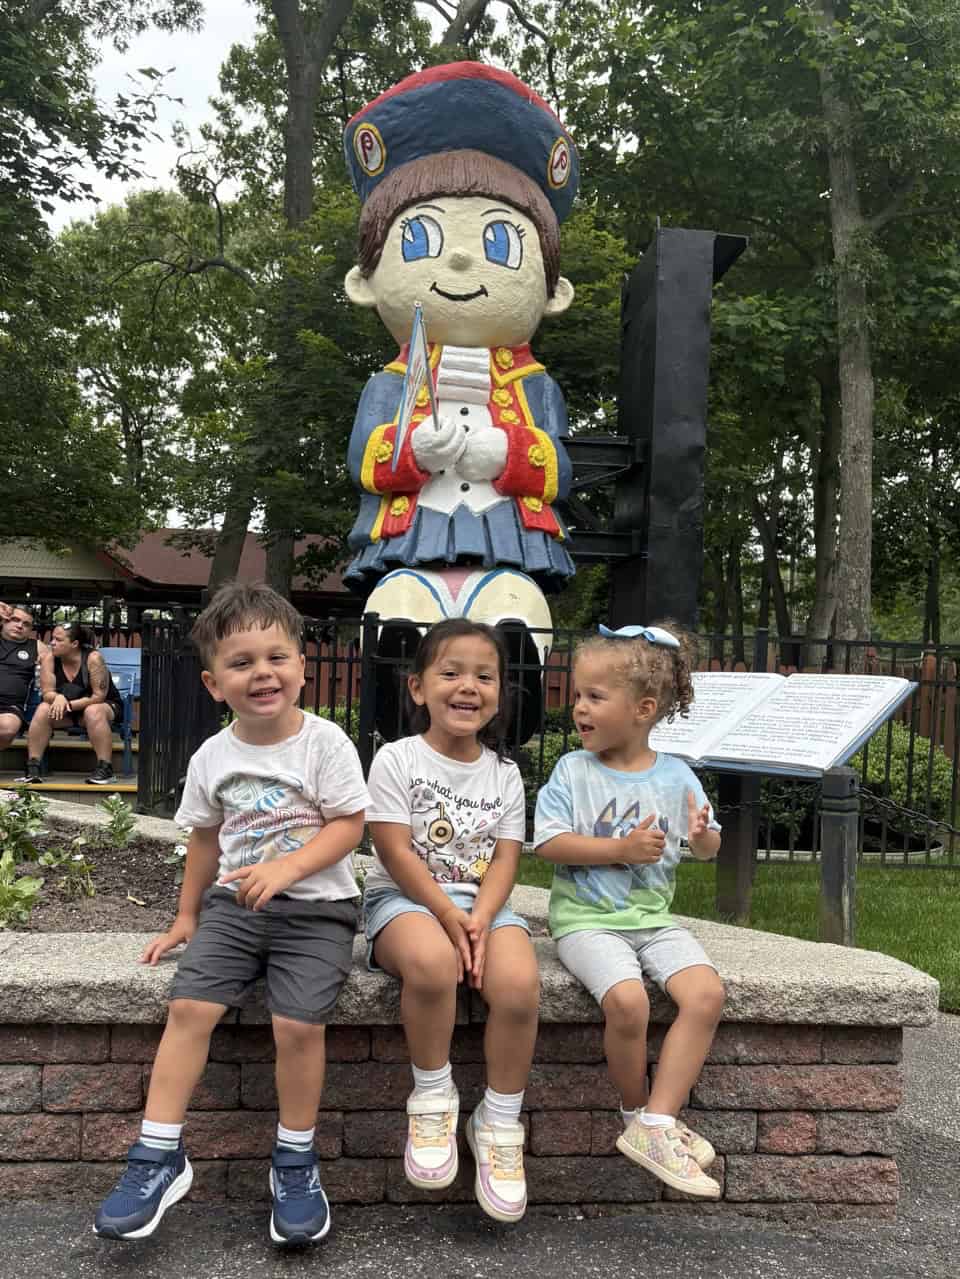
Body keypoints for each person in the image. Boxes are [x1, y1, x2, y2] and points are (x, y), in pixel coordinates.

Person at [94, 583, 370, 1247]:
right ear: (215, 684)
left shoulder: (325, 743)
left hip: (317, 911)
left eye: (276, 657)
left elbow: (349, 825)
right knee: (189, 1007)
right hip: (233, 910)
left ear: (301, 666)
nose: (262, 673)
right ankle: (157, 1154)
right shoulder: (212, 756)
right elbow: (204, 839)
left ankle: (295, 1162)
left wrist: (288, 868)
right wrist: (186, 916)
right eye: (242, 663)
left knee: (296, 1023)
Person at [341, 62, 582, 740]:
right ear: (366, 280)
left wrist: (506, 452)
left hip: (504, 539)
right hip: (414, 539)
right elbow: (363, 459)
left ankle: (508, 710)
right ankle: (399, 710)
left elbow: (559, 467)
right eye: (422, 238)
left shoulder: (536, 385)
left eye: (498, 242)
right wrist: (412, 449)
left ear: (553, 293)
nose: (461, 263)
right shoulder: (390, 383)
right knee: (398, 604)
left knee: (515, 605)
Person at [533, 623, 725, 1199]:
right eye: (578, 695)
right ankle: (635, 1113)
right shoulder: (573, 770)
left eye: (595, 696)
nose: (578, 707)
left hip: (653, 921)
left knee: (706, 994)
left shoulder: (677, 775)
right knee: (627, 1001)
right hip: (586, 922)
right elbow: (548, 844)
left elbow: (708, 846)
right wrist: (620, 849)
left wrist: (702, 836)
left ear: (643, 709)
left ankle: (659, 1120)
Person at [364, 618, 539, 1223]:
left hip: (483, 906)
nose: (469, 687)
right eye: (451, 673)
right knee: (434, 964)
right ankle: (434, 1094)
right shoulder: (397, 759)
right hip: (404, 901)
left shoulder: (506, 774)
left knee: (519, 986)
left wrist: (481, 919)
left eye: (485, 677)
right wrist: (446, 914)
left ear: (499, 693)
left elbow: (507, 858)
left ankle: (498, 1120)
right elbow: (393, 849)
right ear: (418, 688)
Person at [17, 622, 124, 785]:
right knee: (43, 708)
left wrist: (67, 703)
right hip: (67, 711)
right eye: (52, 638)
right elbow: (47, 693)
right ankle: (33, 766)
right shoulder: (50, 658)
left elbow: (98, 696)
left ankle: (105, 768)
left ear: (74, 644)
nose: (52, 643)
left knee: (93, 711)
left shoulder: (93, 658)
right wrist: (59, 698)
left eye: (58, 640)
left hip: (102, 707)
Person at [0, 602, 47, 750]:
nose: (20, 626)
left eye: (26, 624)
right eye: (15, 620)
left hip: (10, 706)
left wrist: (47, 662)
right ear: (4, 621)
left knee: (8, 729)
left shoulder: (37, 646)